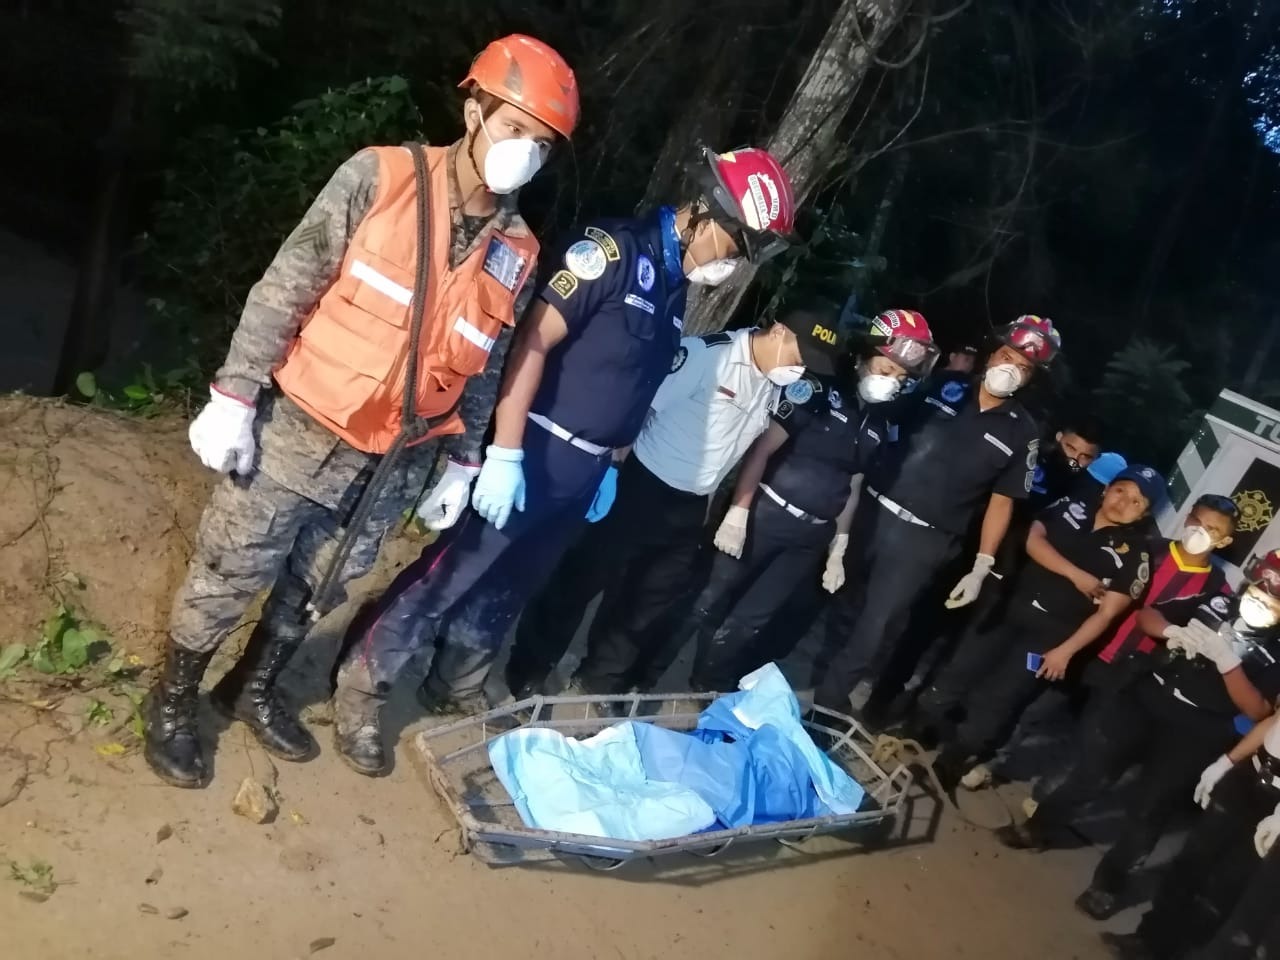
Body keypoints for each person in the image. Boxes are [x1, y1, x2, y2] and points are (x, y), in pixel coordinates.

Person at [142, 35, 579, 788]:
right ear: (473, 109)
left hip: (396, 461)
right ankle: (174, 701)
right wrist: (234, 394)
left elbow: (484, 365)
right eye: (515, 130)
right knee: (230, 571)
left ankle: (251, 688)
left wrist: (467, 459)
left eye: (541, 145)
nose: (525, 155)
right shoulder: (380, 177)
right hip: (299, 431)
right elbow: (287, 285)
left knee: (321, 584)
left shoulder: (518, 247)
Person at [329, 146, 799, 774]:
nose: (735, 264)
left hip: (585, 473)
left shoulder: (673, 290)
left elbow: (632, 386)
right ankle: (363, 685)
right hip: (533, 452)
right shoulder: (612, 252)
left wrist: (610, 463)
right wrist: (503, 449)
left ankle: (455, 681)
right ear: (707, 216)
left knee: (511, 584)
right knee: (454, 573)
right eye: (737, 246)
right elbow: (532, 342)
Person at [504, 301, 837, 702]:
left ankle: (597, 684)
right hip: (641, 485)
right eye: (801, 357)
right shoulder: (709, 356)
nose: (801, 368)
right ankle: (527, 671)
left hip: (691, 506)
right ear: (780, 332)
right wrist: (612, 469)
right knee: (579, 582)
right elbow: (643, 406)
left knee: (644, 604)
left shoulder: (773, 384)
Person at [996, 549, 1280, 923]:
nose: (1266, 595)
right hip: (1149, 696)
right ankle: (1038, 829)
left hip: (1199, 729)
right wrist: (1172, 631)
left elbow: (1261, 712)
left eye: (1276, 595)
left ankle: (1107, 885)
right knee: (1092, 771)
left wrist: (1228, 663)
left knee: (1151, 808)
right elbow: (1150, 614)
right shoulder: (1216, 600)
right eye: (1265, 584)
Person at [682, 310, 939, 692]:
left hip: (809, 537)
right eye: (887, 368)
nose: (892, 381)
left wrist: (840, 544)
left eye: (902, 377)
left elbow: (852, 484)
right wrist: (738, 511)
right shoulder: (819, 390)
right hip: (765, 514)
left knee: (753, 617)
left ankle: (707, 685)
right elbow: (762, 450)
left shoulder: (878, 423)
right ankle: (650, 666)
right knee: (709, 599)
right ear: (865, 356)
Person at [811, 315, 1058, 715]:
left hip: (922, 541)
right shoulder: (946, 385)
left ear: (1031, 378)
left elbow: (1003, 500)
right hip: (870, 511)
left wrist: (982, 565)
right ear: (992, 354)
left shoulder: (1022, 432)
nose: (1010, 369)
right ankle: (781, 678)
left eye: (1024, 367)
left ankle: (823, 709)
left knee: (873, 629)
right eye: (1007, 356)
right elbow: (884, 415)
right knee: (830, 599)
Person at [956, 491, 1238, 797]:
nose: (1200, 532)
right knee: (1032, 709)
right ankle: (992, 763)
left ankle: (1045, 796)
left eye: (1212, 530)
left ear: (1224, 542)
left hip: (1129, 668)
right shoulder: (1145, 549)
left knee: (1088, 738)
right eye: (1197, 521)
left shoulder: (1216, 589)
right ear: (1186, 518)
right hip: (1082, 647)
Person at [930, 465, 1162, 790]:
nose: (1124, 502)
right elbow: (1032, 540)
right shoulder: (1071, 507)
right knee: (960, 669)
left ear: (1143, 515)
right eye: (1122, 490)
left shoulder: (1136, 557)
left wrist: (1065, 652)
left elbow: (1106, 615)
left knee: (1001, 698)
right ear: (1107, 489)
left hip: (1051, 634)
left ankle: (952, 759)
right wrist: (1076, 575)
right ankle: (920, 729)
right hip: (1009, 607)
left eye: (1137, 502)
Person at [895, 417, 1105, 733]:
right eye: (1070, 448)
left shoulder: (1085, 491)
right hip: (973, 554)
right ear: (1059, 436)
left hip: (1013, 578)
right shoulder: (1029, 458)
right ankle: (889, 694)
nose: (1074, 459)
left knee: (966, 652)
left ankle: (929, 718)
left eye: (1085, 456)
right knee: (924, 627)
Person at [1101, 709, 1280, 959]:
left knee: (1230, 884)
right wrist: (1227, 762)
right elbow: (1275, 720)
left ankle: (1186, 948)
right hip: (1251, 774)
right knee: (1191, 861)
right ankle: (1151, 939)